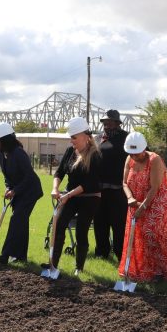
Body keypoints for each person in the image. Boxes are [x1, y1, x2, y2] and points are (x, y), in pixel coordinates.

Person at [120, 131, 167, 282]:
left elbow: (154, 188)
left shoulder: (155, 160)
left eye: (137, 153)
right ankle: (140, 270)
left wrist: (144, 207)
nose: (134, 156)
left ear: (144, 148)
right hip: (135, 200)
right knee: (137, 234)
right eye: (131, 153)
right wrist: (130, 198)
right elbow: (124, 183)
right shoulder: (130, 159)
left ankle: (159, 272)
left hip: (158, 201)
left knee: (152, 233)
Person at [45, 117, 102, 275]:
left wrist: (68, 195)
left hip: (90, 197)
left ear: (85, 136)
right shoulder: (70, 151)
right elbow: (60, 172)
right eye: (70, 137)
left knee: (81, 231)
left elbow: (89, 183)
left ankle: (79, 267)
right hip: (70, 196)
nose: (71, 141)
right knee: (58, 224)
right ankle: (53, 264)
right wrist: (55, 188)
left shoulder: (95, 155)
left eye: (74, 137)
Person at [0, 122, 43, 263]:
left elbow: (29, 176)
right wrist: (8, 187)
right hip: (18, 191)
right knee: (21, 222)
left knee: (16, 220)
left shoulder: (19, 153)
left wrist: (15, 190)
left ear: (6, 140)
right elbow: (7, 176)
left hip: (30, 191)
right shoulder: (1, 154)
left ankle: (5, 255)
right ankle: (21, 256)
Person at [93, 109, 128, 259]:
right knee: (100, 223)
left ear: (117, 123)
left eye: (110, 122)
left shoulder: (126, 138)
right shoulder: (98, 138)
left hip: (119, 190)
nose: (106, 125)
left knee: (119, 224)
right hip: (100, 190)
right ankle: (102, 252)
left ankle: (120, 253)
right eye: (105, 122)